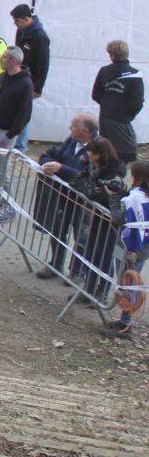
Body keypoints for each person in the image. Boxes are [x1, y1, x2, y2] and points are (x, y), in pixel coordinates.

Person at [32, 113, 99, 277]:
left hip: (83, 202)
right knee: (58, 230)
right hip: (63, 195)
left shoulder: (98, 148)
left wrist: (61, 169)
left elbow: (89, 176)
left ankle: (77, 272)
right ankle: (55, 265)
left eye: (74, 126)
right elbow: (51, 154)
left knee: (81, 237)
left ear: (86, 131)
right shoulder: (71, 140)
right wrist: (46, 163)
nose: (70, 128)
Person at [0, 46, 33, 223]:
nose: (0, 60)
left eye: (3, 58)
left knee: (1, 169)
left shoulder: (25, 84)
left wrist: (11, 134)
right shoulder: (2, 77)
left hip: (6, 133)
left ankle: (9, 206)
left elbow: (24, 113)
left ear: (12, 61)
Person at [76, 138, 127, 301]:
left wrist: (89, 188)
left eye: (91, 152)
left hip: (109, 220)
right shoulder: (97, 167)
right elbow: (77, 182)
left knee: (105, 255)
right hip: (97, 216)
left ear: (98, 154)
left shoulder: (115, 172)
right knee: (91, 252)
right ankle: (88, 289)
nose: (88, 155)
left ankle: (102, 292)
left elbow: (95, 193)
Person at [104, 160, 149, 339]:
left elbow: (117, 218)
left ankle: (126, 324)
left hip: (132, 245)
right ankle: (125, 320)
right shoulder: (140, 195)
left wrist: (114, 197)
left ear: (136, 177)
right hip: (144, 245)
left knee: (127, 282)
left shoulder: (134, 198)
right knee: (129, 281)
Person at [93, 40, 144, 164]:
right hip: (122, 119)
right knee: (126, 153)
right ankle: (116, 177)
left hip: (105, 116)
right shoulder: (135, 74)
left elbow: (96, 94)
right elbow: (137, 101)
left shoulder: (104, 70)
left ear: (111, 55)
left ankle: (105, 175)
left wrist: (106, 105)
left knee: (106, 151)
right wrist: (128, 115)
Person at [10, 3, 49, 151]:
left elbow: (43, 65)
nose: (15, 24)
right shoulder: (21, 31)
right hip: (18, 76)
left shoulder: (40, 37)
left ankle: (20, 145)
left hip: (30, 81)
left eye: (17, 21)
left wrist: (38, 88)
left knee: (23, 111)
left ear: (27, 19)